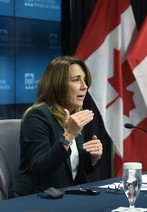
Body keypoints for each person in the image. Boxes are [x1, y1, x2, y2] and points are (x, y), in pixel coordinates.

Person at [10, 56, 103, 197]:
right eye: (76, 79)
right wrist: (69, 136)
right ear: (58, 85)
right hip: (35, 199)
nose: (84, 86)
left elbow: (68, 169)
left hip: (66, 196)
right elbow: (39, 171)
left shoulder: (73, 116)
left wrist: (93, 159)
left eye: (84, 80)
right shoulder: (37, 116)